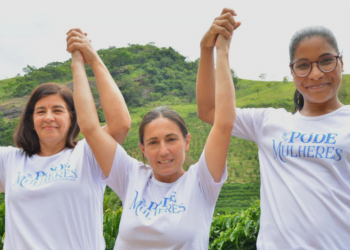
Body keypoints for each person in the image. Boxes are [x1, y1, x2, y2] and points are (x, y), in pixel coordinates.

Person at [196, 8, 350, 249]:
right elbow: (209, 110)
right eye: (303, 65)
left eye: (326, 61)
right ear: (291, 71)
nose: (316, 74)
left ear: (341, 62)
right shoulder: (268, 123)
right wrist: (212, 50)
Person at [69, 26, 235, 249]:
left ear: (187, 141)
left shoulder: (201, 182)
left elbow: (223, 124)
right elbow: (90, 128)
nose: (163, 150)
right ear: (143, 149)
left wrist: (221, 51)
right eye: (153, 142)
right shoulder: (130, 176)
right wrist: (83, 61)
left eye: (171, 139)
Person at [0, 29, 130, 249]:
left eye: (57, 110)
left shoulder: (88, 155)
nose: (48, 117)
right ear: (31, 120)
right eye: (40, 111)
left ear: (72, 118)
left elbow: (120, 124)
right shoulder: (10, 161)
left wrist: (89, 60)